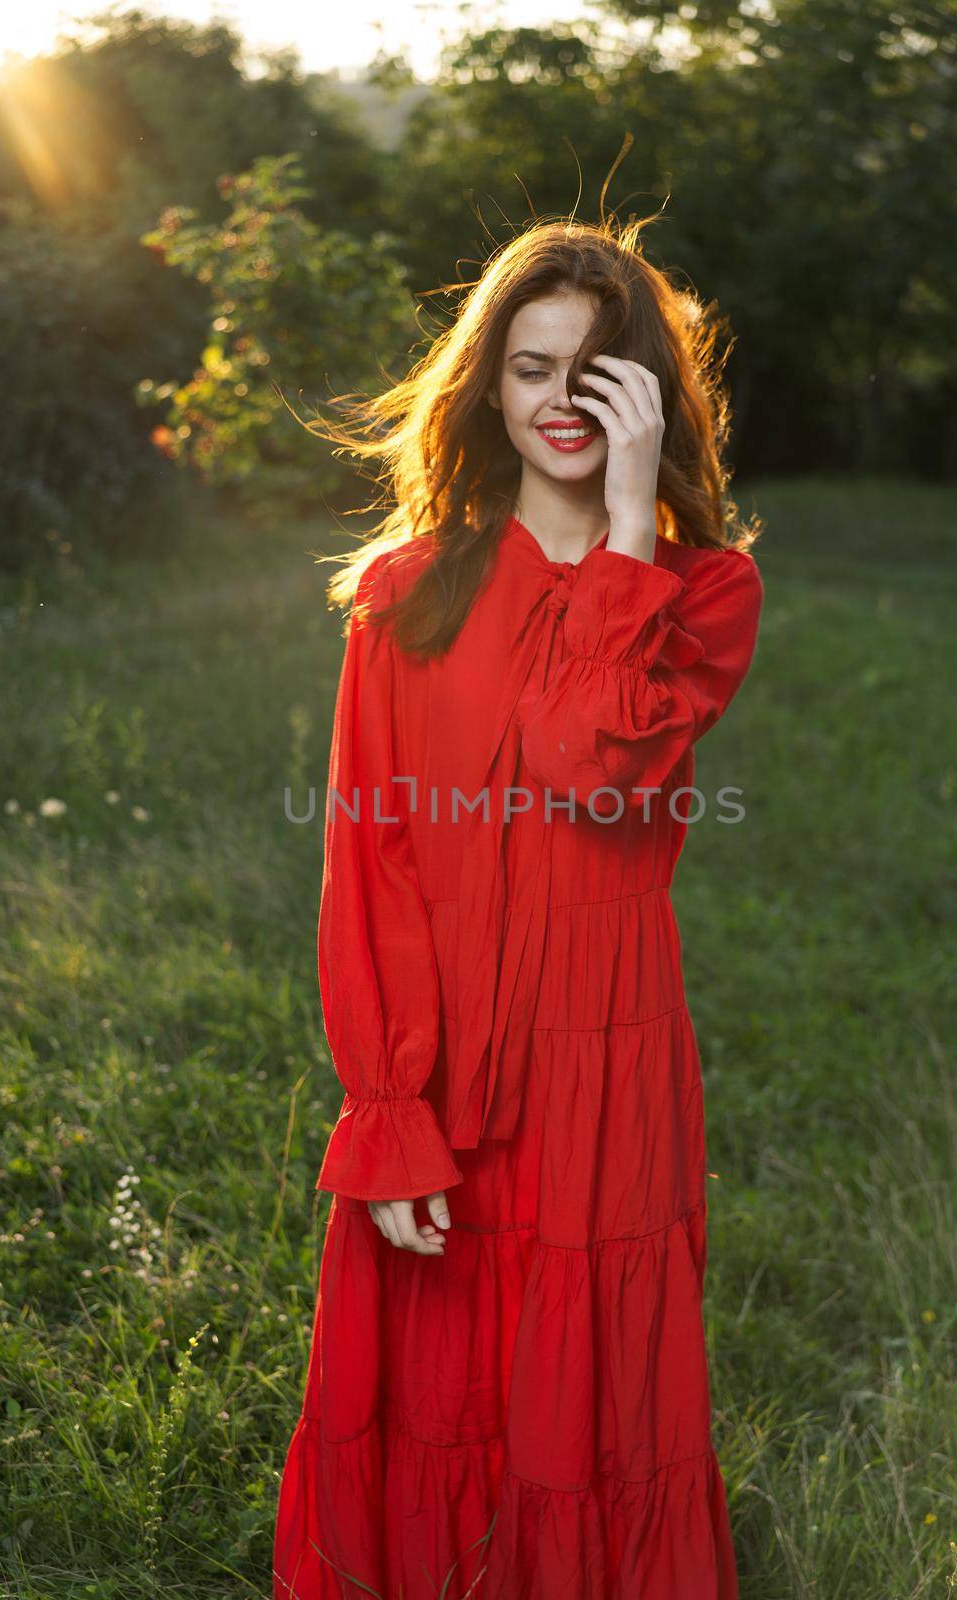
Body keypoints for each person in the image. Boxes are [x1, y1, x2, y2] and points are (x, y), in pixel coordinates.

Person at [272, 215, 765, 1600]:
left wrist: (622, 531)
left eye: (599, 373)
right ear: (488, 384)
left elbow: (587, 766)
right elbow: (369, 860)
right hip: (441, 1048)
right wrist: (386, 1105)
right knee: (439, 1370)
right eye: (535, 368)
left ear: (648, 395)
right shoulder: (407, 591)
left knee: (586, 1384)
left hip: (605, 1059)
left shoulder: (703, 591)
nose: (562, 402)